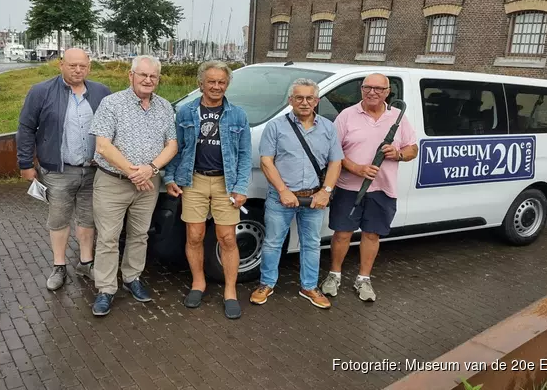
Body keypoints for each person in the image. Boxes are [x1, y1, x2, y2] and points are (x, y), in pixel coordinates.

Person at [89, 55, 178, 316]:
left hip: (148, 183)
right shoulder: (112, 103)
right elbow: (103, 146)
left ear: (158, 79)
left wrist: (149, 170)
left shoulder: (164, 107)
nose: (148, 80)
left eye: (153, 76)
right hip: (113, 182)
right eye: (143, 75)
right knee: (107, 238)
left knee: (140, 234)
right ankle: (106, 289)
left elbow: (172, 145)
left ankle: (131, 278)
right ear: (131, 76)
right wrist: (132, 172)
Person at [16, 48, 111, 291]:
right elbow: (26, 128)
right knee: (58, 219)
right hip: (58, 170)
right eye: (72, 65)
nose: (77, 70)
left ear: (89, 66)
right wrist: (26, 164)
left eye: (82, 66)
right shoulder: (41, 91)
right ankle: (59, 266)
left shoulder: (100, 92)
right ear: (61, 65)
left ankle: (86, 262)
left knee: (88, 219)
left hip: (93, 170)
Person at [163, 60, 251, 319]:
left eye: (221, 82)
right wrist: (170, 177)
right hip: (194, 181)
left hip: (226, 182)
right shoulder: (187, 112)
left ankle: (231, 291)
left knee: (227, 238)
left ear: (227, 84)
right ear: (201, 83)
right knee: (194, 236)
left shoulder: (238, 115)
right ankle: (198, 283)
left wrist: (241, 186)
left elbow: (245, 154)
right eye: (211, 81)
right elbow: (176, 147)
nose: (216, 86)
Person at [320, 73, 418, 302]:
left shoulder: (398, 117)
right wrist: (356, 168)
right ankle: (334, 275)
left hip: (383, 189)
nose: (372, 92)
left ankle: (363, 279)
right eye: (367, 88)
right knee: (342, 234)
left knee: (372, 235)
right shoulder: (347, 115)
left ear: (387, 92)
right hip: (348, 188)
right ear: (361, 90)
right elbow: (333, 152)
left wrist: (399, 154)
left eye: (378, 88)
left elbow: (412, 149)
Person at [250, 78, 343, 309]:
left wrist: (325, 192)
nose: (304, 102)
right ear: (290, 100)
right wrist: (283, 191)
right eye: (299, 98)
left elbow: (335, 163)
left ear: (317, 101)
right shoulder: (276, 127)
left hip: (314, 199)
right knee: (272, 243)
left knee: (311, 244)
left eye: (309, 98)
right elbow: (266, 162)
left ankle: (309, 286)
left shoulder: (328, 128)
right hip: (281, 198)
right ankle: (266, 284)